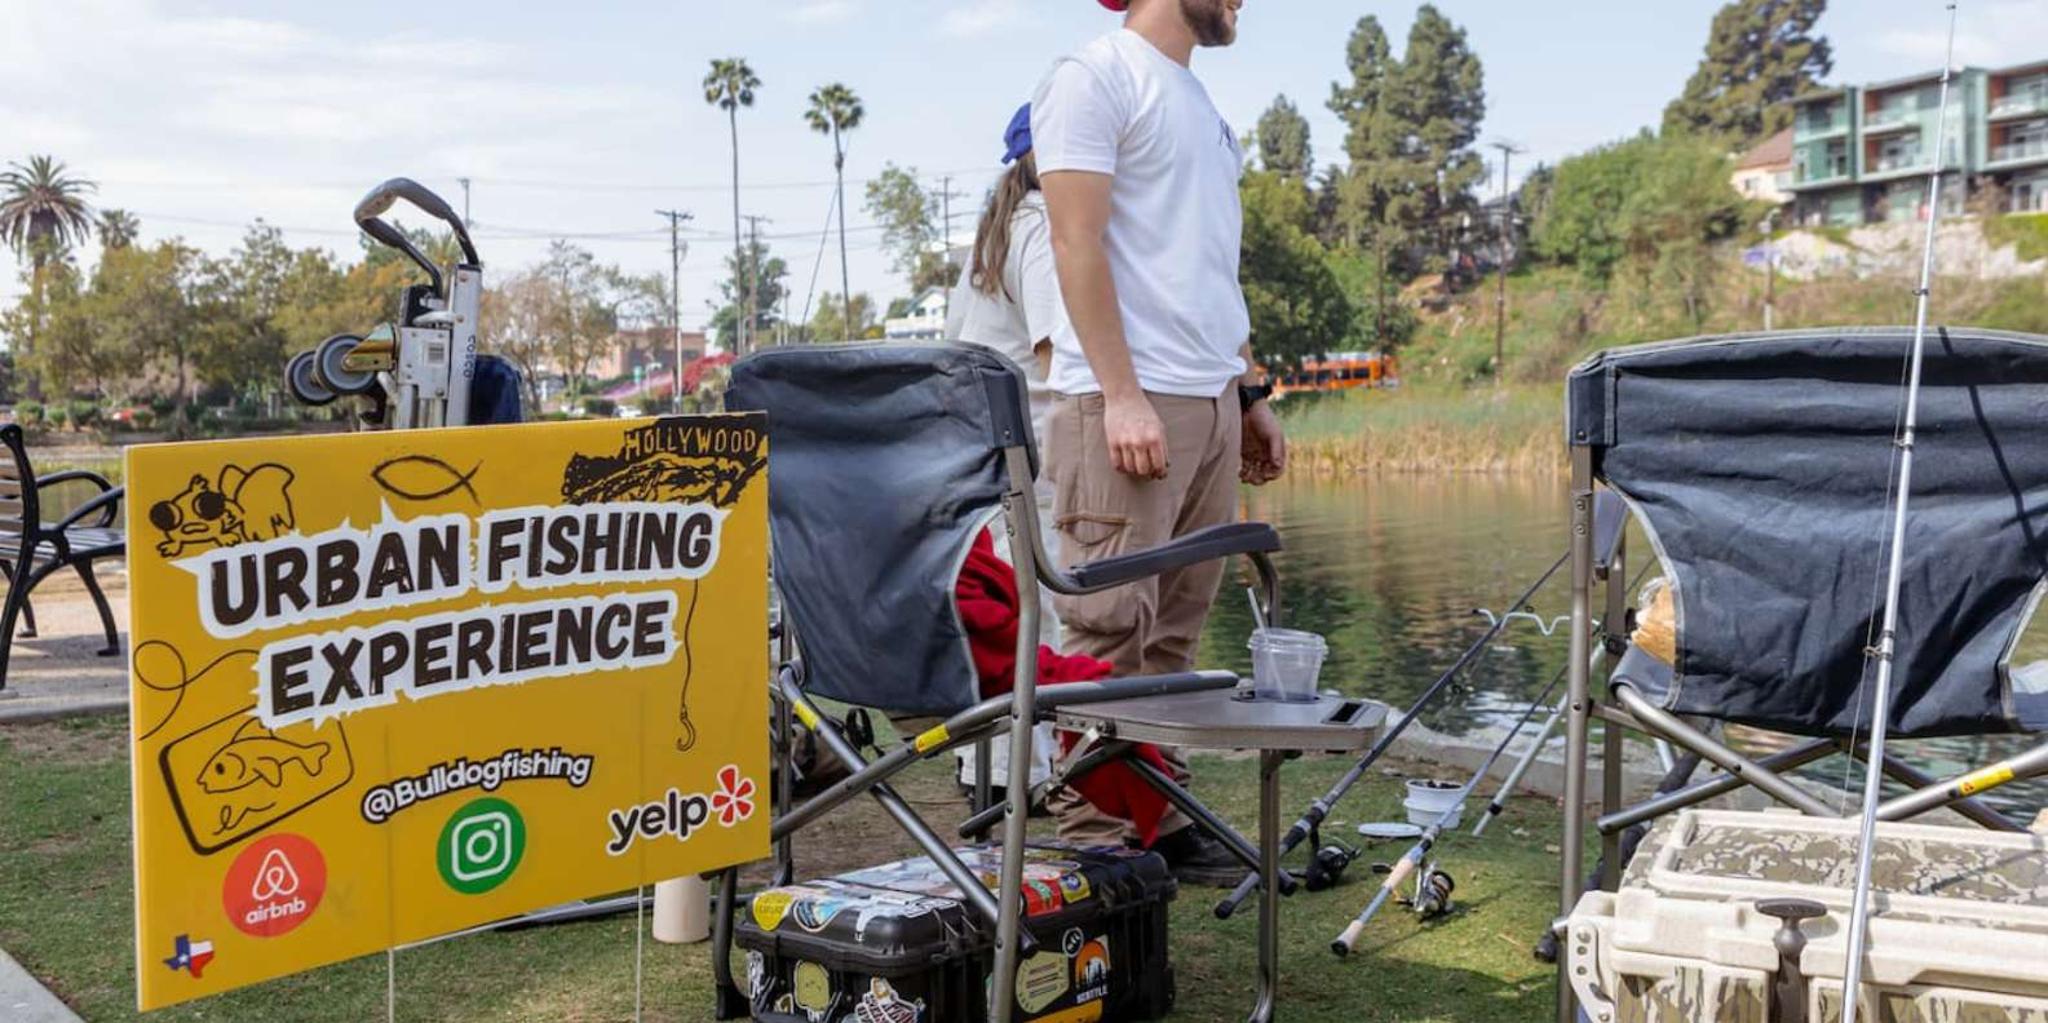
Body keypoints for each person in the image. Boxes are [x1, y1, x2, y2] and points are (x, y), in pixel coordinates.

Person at [1030, 0, 1285, 884]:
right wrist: (1122, 390)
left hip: (1208, 398)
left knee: (1173, 634)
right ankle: (1092, 842)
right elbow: (1075, 240)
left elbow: (1212, 264)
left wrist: (1248, 390)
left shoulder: (1207, 113)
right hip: (1124, 404)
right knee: (1107, 631)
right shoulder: (1092, 76)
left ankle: (1159, 821)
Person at [945, 103, 1066, 798]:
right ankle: (1033, 774)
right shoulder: (1046, 231)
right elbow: (1056, 357)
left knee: (1001, 616)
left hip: (974, 458)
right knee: (1041, 614)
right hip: (1033, 454)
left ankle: (986, 771)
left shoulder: (994, 235)